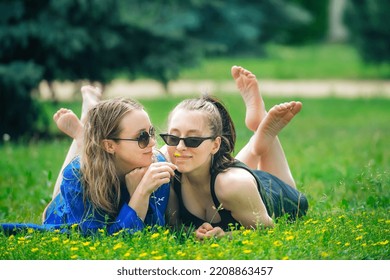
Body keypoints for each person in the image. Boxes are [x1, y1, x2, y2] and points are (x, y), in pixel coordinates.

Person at [158, 66, 308, 240]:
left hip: (272, 191)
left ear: (215, 145)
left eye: (193, 140)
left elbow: (267, 230)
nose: (180, 147)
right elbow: (174, 226)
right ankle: (257, 141)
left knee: (230, 182)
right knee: (221, 173)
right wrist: (191, 233)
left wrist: (226, 236)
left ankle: (261, 132)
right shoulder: (166, 166)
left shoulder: (234, 185)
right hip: (223, 173)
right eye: (173, 137)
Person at [1, 93, 177, 235]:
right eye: (142, 137)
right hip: (63, 211)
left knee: (86, 156)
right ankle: (82, 137)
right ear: (109, 145)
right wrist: (140, 193)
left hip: (99, 156)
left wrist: (141, 192)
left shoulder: (157, 164)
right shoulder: (79, 177)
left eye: (151, 132)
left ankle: (83, 136)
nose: (153, 142)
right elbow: (101, 241)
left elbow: (153, 229)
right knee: (76, 170)